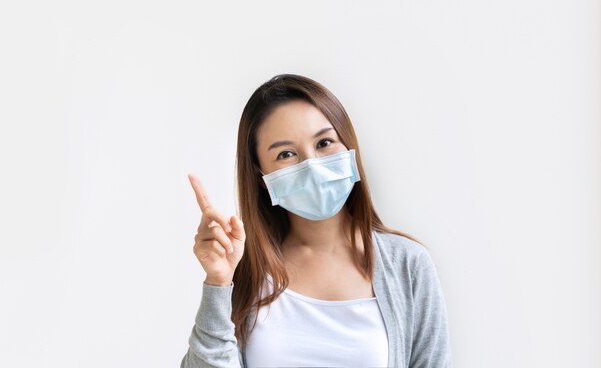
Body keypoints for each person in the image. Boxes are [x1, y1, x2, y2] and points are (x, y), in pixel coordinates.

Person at [181, 74, 452, 368]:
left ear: (349, 146)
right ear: (261, 177)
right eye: (286, 154)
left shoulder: (407, 264)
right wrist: (219, 284)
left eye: (324, 143)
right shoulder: (247, 271)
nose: (311, 165)